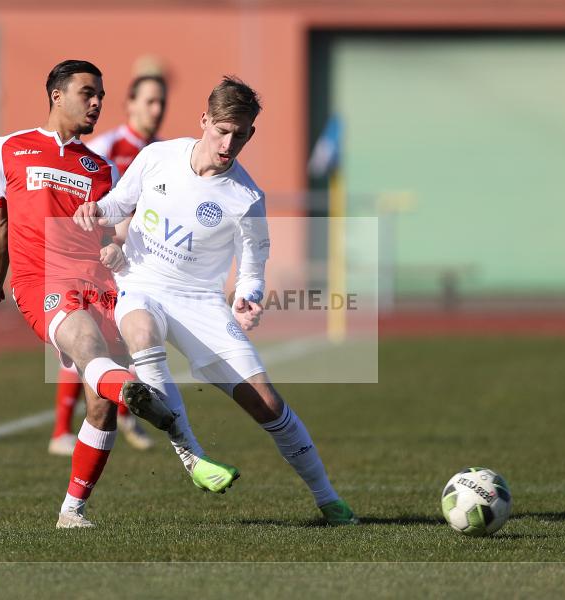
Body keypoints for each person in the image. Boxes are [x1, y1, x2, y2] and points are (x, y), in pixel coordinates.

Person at [74, 76, 359, 525]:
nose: (229, 143)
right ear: (204, 120)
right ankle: (193, 457)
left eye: (240, 134)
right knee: (141, 332)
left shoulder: (246, 198)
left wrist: (248, 298)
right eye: (222, 130)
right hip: (141, 282)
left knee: (268, 404)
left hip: (201, 303)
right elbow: (117, 204)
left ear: (250, 133)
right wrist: (96, 212)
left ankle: (328, 499)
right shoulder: (157, 157)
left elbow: (251, 268)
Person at [0, 60, 180, 529]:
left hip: (98, 285)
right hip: (41, 281)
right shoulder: (9, 148)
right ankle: (134, 393)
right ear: (55, 95)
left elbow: (111, 235)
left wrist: (116, 251)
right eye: (87, 92)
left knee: (102, 405)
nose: (96, 102)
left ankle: (72, 510)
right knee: (86, 348)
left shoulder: (100, 168)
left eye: (100, 94)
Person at [48, 75, 168, 456]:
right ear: (130, 104)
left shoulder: (164, 154)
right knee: (86, 337)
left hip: (140, 257)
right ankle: (63, 430)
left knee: (126, 339)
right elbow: (83, 200)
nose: (157, 109)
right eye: (149, 101)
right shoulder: (105, 148)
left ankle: (123, 412)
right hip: (99, 255)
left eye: (161, 102)